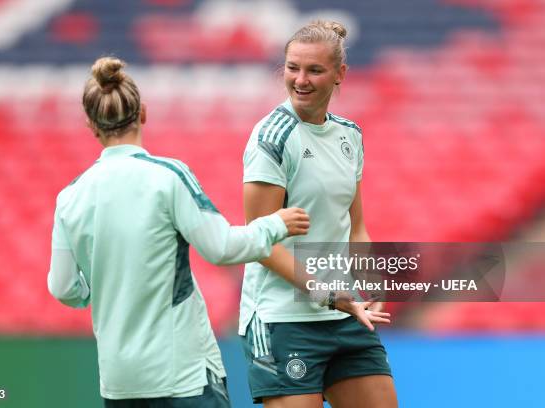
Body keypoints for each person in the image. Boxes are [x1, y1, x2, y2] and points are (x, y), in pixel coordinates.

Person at [47, 56, 311, 408]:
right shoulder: (167, 177)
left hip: (119, 382)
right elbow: (220, 248)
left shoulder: (70, 197)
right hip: (181, 375)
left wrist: (93, 292)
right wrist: (275, 224)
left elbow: (63, 287)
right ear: (142, 112)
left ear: (91, 125)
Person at [239, 21, 398, 407]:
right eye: (293, 68)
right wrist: (328, 293)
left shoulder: (350, 135)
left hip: (344, 314)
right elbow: (259, 242)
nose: (300, 80)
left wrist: (371, 284)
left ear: (340, 74)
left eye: (314, 70)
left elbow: (355, 226)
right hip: (282, 320)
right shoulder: (272, 138)